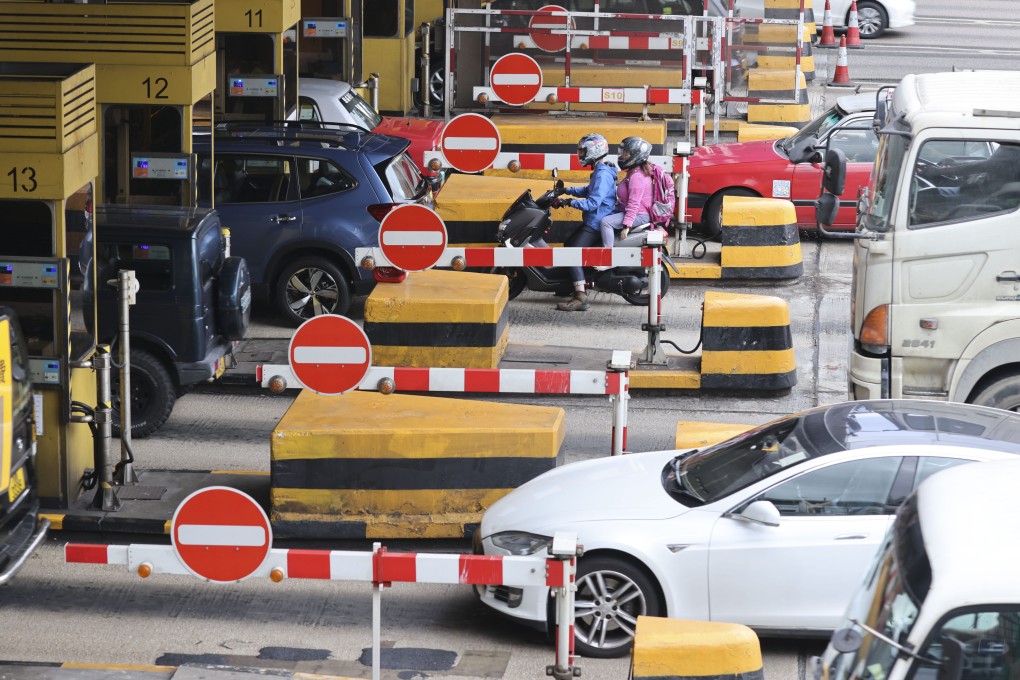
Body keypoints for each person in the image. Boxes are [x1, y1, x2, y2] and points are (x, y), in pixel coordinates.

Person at [551, 133, 617, 312]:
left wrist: (568, 202)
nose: (580, 155)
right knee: (569, 244)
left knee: (573, 251)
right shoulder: (599, 170)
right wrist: (566, 190)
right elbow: (588, 190)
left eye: (583, 151)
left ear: (594, 151)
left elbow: (593, 203)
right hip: (594, 219)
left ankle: (580, 296)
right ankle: (570, 283)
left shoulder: (602, 174)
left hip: (596, 222)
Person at [600, 136, 655, 244]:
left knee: (605, 222)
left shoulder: (637, 177)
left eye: (626, 154)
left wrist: (627, 225)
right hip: (633, 212)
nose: (622, 156)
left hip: (639, 215)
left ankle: (608, 255)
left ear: (636, 156)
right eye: (623, 153)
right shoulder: (634, 172)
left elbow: (634, 203)